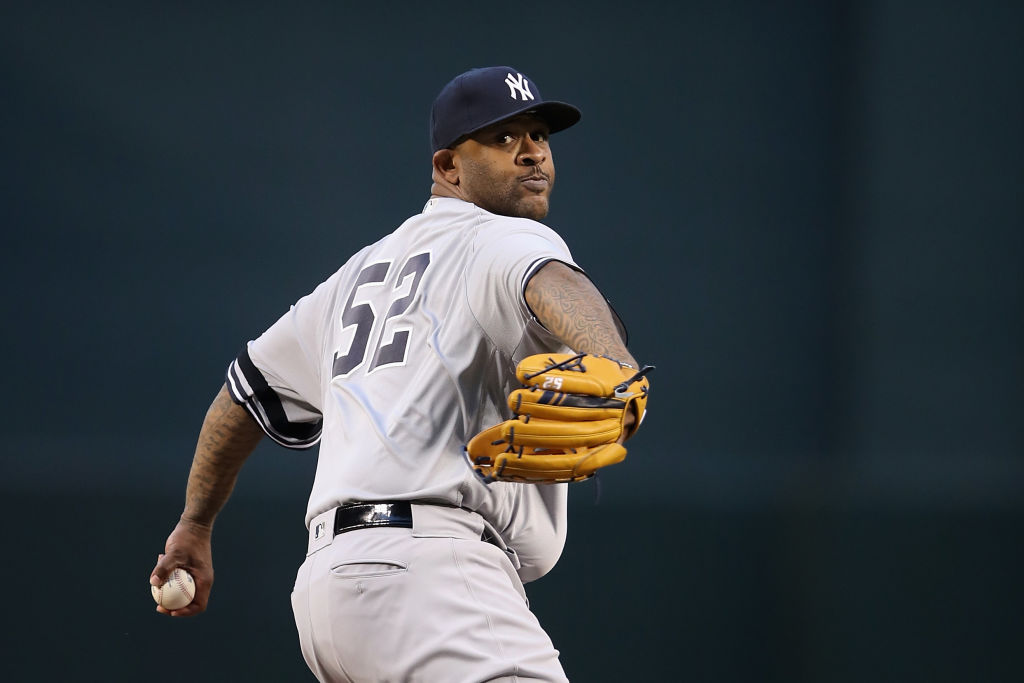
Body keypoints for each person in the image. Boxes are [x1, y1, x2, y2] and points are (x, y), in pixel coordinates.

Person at [150, 65, 645, 682]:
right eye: (503, 138)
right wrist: (618, 366)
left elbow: (242, 395)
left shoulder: (354, 276)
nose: (532, 153)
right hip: (433, 576)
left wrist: (194, 524)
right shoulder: (504, 239)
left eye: (540, 135)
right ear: (447, 167)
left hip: (330, 593)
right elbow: (553, 283)